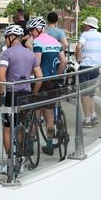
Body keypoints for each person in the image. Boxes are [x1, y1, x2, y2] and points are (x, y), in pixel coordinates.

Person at [0, 24, 42, 174]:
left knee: (7, 130)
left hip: (12, 95)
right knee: (21, 127)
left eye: (5, 38)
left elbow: (1, 76)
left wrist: (1, 95)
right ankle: (21, 162)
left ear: (11, 37)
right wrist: (34, 92)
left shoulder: (7, 54)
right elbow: (39, 77)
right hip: (26, 95)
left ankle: (11, 163)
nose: (5, 40)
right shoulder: (30, 54)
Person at [27, 16, 66, 155]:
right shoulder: (56, 42)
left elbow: (36, 63)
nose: (31, 33)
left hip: (41, 81)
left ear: (39, 29)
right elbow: (63, 62)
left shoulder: (37, 42)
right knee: (49, 116)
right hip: (53, 81)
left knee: (35, 114)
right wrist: (58, 76)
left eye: (32, 30)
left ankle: (30, 145)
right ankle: (49, 145)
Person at [76, 16, 101, 127]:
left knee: (84, 95)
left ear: (88, 25)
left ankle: (87, 120)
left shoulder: (85, 35)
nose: (84, 26)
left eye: (85, 24)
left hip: (85, 68)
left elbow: (79, 46)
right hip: (95, 68)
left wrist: (78, 58)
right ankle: (93, 116)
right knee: (90, 94)